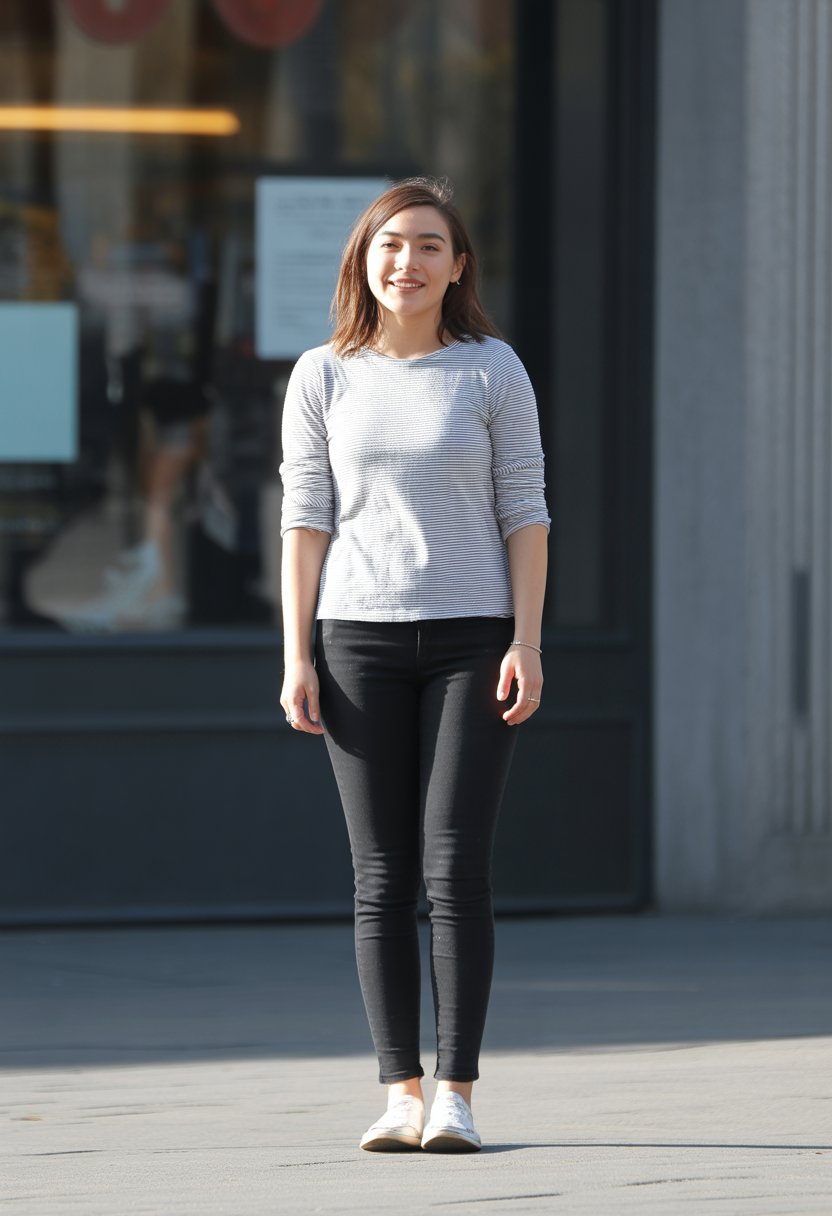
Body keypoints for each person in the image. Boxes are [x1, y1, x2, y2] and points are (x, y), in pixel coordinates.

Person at [279, 177, 549, 1153]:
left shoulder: (490, 370)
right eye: (392, 244)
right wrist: (295, 653)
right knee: (380, 873)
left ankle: (458, 1091)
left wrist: (525, 638)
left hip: (474, 640)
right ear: (364, 258)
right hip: (356, 639)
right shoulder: (323, 373)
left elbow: (526, 510)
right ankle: (399, 1088)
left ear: (457, 265)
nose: (409, 262)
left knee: (453, 863)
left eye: (429, 245)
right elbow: (303, 518)